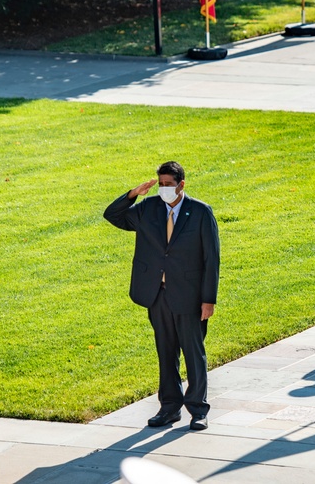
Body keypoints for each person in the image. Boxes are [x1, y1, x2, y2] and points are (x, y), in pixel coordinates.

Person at [103, 161, 220, 430]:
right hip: (158, 295)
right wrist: (133, 194)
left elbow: (211, 259)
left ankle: (198, 410)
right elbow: (113, 216)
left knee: (194, 354)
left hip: (190, 297)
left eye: (169, 184)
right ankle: (169, 408)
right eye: (161, 184)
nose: (165, 189)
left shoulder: (201, 212)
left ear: (182, 185)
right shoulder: (148, 209)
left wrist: (208, 300)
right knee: (165, 353)